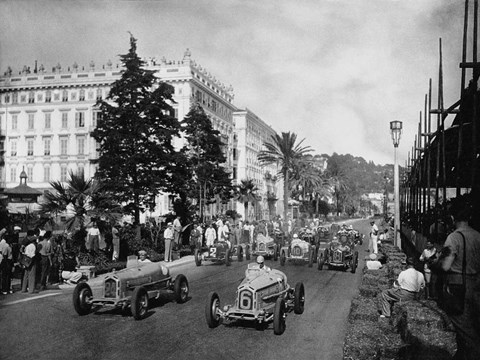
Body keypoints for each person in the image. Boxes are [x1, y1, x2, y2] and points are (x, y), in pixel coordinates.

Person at [434, 196, 480, 360]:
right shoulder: (477, 236)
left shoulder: (454, 237)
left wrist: (434, 264)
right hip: (476, 285)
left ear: (452, 217)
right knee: (472, 324)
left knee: (464, 328)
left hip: (457, 286)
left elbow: (445, 266)